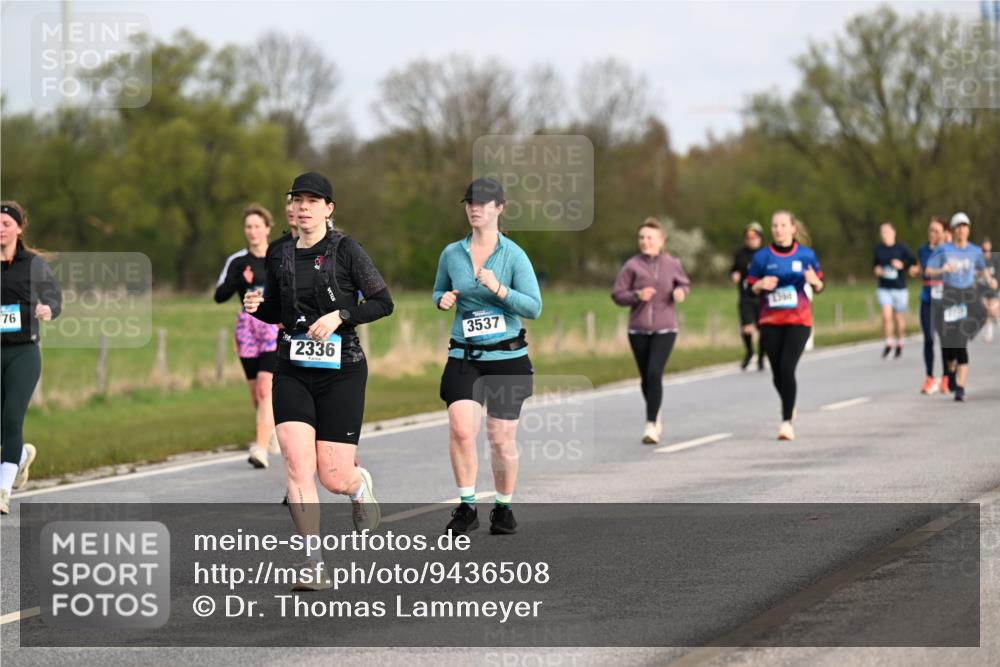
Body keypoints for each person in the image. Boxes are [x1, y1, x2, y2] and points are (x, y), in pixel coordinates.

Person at [244, 172, 393, 589]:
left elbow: (384, 302)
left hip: (342, 371)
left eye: (314, 200)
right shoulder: (279, 254)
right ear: (290, 208)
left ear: (328, 209)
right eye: (298, 199)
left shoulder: (346, 250)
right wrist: (257, 307)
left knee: (332, 476)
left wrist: (341, 315)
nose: (304, 206)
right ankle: (314, 564)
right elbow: (277, 308)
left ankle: (358, 486)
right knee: (295, 464)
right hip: (291, 368)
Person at [433, 178, 542, 536]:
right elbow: (438, 290)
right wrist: (442, 300)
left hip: (507, 358)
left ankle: (503, 507)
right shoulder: (452, 253)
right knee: (463, 430)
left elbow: (534, 307)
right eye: (469, 203)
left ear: (499, 207)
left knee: (500, 438)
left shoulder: (514, 255)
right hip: (465, 355)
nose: (474, 208)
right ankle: (466, 506)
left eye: (482, 203)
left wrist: (499, 288)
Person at [1, 201, 62, 515]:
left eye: (6, 223)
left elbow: (54, 295)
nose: (1, 228)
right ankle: (21, 457)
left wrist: (48, 308)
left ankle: (3, 491)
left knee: (11, 417)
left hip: (24, 351)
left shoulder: (33, 264)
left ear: (19, 228)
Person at [612, 217, 691, 444]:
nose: (645, 242)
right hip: (638, 329)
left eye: (649, 238)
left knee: (655, 372)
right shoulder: (631, 266)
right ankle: (655, 412)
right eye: (642, 238)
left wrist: (680, 293)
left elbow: (684, 284)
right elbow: (617, 294)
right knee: (646, 378)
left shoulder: (672, 263)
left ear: (661, 240)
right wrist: (636, 295)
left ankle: (650, 425)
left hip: (665, 328)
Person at [747, 210, 824, 441]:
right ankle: (789, 402)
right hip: (770, 321)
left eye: (783, 225)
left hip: (799, 321)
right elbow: (749, 289)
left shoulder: (806, 255)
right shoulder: (762, 258)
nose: (778, 229)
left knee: (787, 368)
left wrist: (816, 283)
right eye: (775, 226)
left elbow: (820, 285)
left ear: (792, 228)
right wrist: (760, 284)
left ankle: (786, 421)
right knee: (777, 373)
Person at [215, 204, 280, 469]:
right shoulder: (237, 261)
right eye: (248, 227)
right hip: (247, 326)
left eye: (257, 226)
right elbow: (219, 297)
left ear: (267, 228)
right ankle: (270, 430)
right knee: (257, 394)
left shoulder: (278, 256)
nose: (252, 231)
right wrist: (238, 280)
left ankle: (260, 448)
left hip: (273, 324)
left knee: (266, 388)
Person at [925, 212, 997, 402]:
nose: (962, 230)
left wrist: (990, 280)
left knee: (961, 341)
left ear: (968, 230)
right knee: (949, 344)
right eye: (958, 227)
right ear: (954, 230)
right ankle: (951, 368)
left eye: (965, 227)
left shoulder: (974, 250)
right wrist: (943, 270)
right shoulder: (944, 249)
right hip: (949, 296)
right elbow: (929, 270)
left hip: (966, 295)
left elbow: (982, 269)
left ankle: (961, 388)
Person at [911, 216, 947, 393]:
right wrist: (915, 270)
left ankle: (947, 376)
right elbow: (921, 269)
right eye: (930, 230)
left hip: (945, 298)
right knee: (929, 338)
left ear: (943, 233)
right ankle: (930, 377)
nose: (932, 234)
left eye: (936, 231)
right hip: (927, 298)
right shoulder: (923, 249)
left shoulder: (949, 250)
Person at [873, 221, 916, 359]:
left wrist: (902, 264)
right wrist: (877, 270)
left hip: (899, 287)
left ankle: (900, 341)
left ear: (893, 232)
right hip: (884, 287)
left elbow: (912, 261)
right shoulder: (878, 249)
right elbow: (875, 265)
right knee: (886, 316)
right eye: (882, 232)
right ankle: (888, 342)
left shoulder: (901, 248)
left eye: (886, 231)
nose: (884, 234)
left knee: (898, 318)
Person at [730, 222, 765, 371]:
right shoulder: (740, 254)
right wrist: (734, 274)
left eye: (754, 237)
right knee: (746, 328)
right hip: (745, 297)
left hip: (763, 298)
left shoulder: (765, 254)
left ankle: (762, 357)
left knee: (763, 329)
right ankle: (750, 352)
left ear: (760, 238)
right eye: (749, 238)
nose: (751, 240)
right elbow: (733, 269)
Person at [978, 237, 999, 342]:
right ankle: (989, 331)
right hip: (982, 288)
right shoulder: (979, 259)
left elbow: (998, 273)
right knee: (986, 310)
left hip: (992, 288)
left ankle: (992, 326)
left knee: (992, 309)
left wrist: (997, 283)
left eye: (988, 249)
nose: (986, 251)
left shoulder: (995, 259)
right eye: (984, 250)